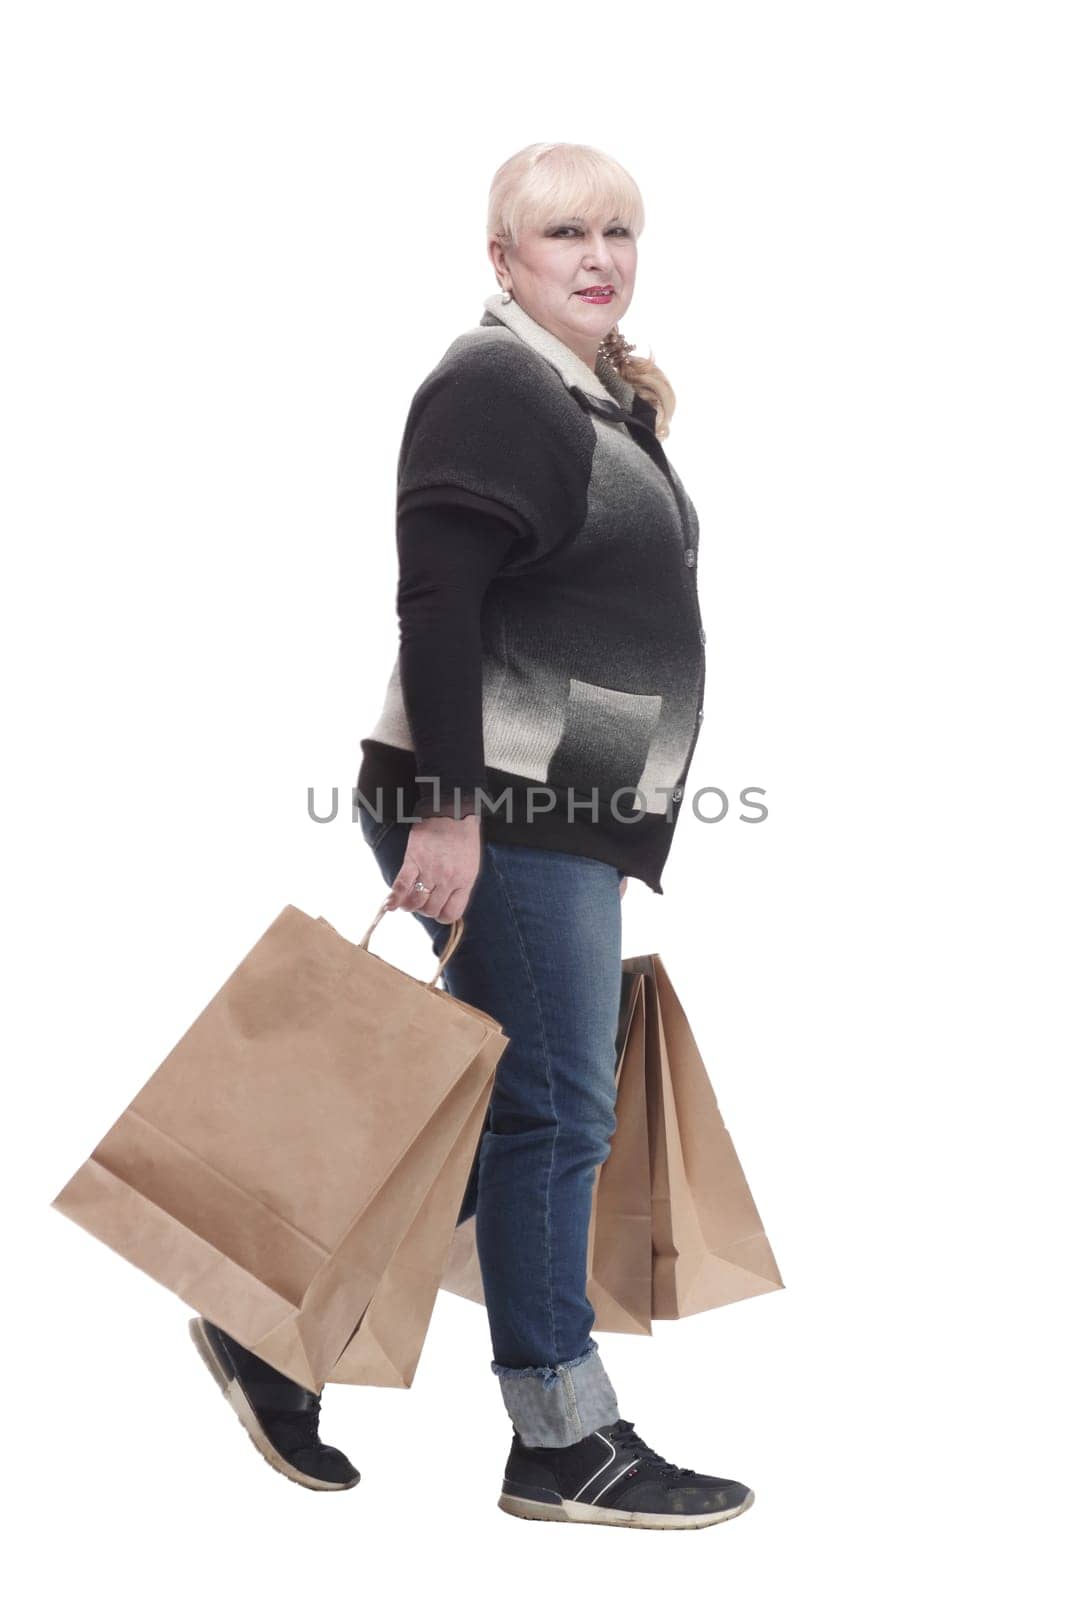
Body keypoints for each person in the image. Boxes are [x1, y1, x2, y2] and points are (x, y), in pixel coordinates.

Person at [191, 142, 754, 1531]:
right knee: (558, 1105)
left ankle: (274, 1331)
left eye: (620, 229)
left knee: (522, 1100)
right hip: (498, 805)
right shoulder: (494, 385)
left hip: (558, 811)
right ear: (501, 259)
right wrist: (451, 812)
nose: (598, 253)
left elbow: (571, 617)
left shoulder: (596, 399)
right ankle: (561, 1437)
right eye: (564, 229)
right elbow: (437, 608)